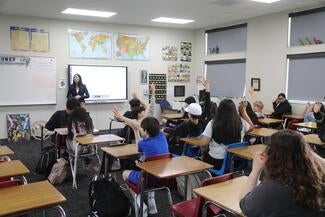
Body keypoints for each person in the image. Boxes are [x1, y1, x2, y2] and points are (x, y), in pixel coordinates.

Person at [239, 130, 325, 217]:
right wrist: (300, 148)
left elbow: (244, 205)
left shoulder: (271, 189)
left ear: (272, 155)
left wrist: (255, 171)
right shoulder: (317, 181)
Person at [121, 117, 169, 215]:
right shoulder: (162, 136)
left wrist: (135, 130)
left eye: (141, 129)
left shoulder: (144, 144)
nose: (140, 129)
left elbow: (138, 147)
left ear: (146, 131)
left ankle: (140, 202)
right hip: (163, 178)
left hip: (147, 179)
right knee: (151, 170)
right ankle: (151, 202)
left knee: (125, 173)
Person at [198, 99, 254, 169]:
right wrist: (243, 112)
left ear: (219, 110)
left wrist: (204, 153)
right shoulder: (240, 122)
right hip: (236, 160)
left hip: (217, 162)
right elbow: (252, 127)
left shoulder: (213, 123)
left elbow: (203, 144)